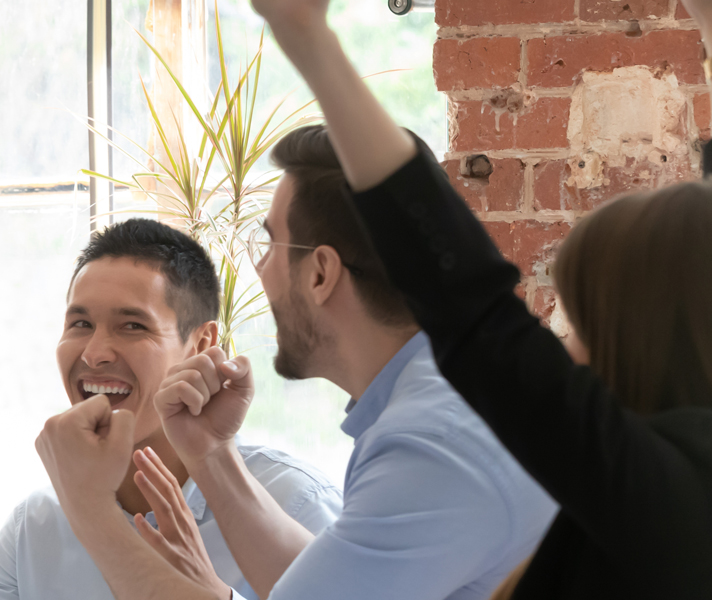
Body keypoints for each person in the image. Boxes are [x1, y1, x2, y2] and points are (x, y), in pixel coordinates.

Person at [250, 0, 712, 595]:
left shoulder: (661, 500)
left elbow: (470, 304)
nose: (562, 346)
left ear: (637, 338)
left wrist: (306, 36)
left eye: (582, 326)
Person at [35, 98, 558, 600]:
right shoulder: (434, 400)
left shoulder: (429, 440)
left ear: (322, 273)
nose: (259, 270)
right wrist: (211, 452)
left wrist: (89, 509)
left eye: (269, 246)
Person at [0, 220, 342, 600]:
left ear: (202, 342)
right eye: (79, 324)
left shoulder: (294, 505)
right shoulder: (35, 526)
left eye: (132, 325)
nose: (94, 353)